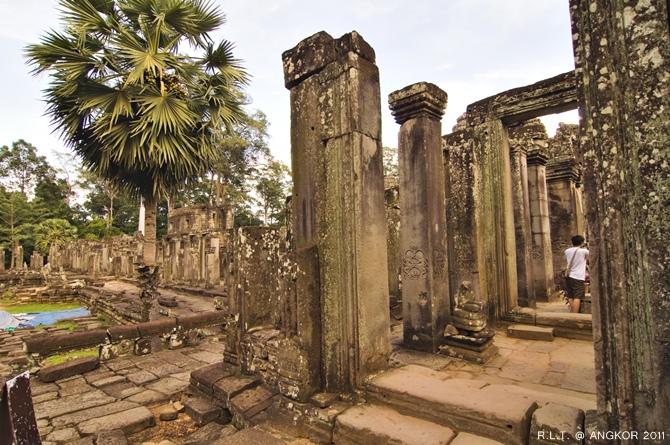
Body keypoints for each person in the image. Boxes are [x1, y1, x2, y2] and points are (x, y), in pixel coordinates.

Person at [564, 235, 589, 313]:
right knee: (577, 296)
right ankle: (574, 315)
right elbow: (588, 257)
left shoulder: (567, 251)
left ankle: (572, 313)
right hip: (578, 276)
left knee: (571, 295)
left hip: (568, 276)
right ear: (582, 242)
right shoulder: (584, 251)